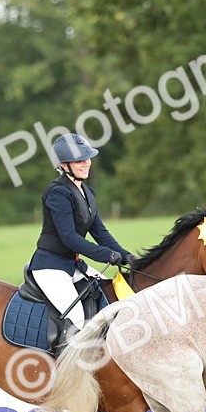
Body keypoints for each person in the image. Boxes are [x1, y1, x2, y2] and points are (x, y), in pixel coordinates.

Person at [28, 133, 134, 333]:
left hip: (73, 265)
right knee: (77, 319)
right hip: (50, 266)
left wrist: (125, 255)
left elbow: (100, 232)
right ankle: (62, 362)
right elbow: (69, 238)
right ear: (64, 165)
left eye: (88, 158)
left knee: (108, 297)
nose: (86, 163)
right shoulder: (58, 193)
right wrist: (106, 255)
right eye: (79, 160)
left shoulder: (88, 192)